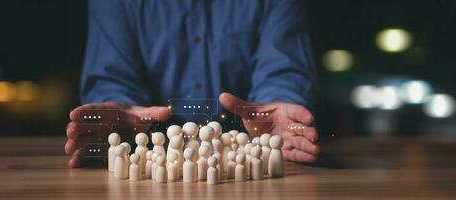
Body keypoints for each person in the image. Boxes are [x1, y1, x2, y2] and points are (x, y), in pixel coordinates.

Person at [65, 0, 320, 168]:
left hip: (248, 165)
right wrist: (119, 110)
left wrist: (275, 106)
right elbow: (112, 77)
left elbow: (282, 72)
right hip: (149, 168)